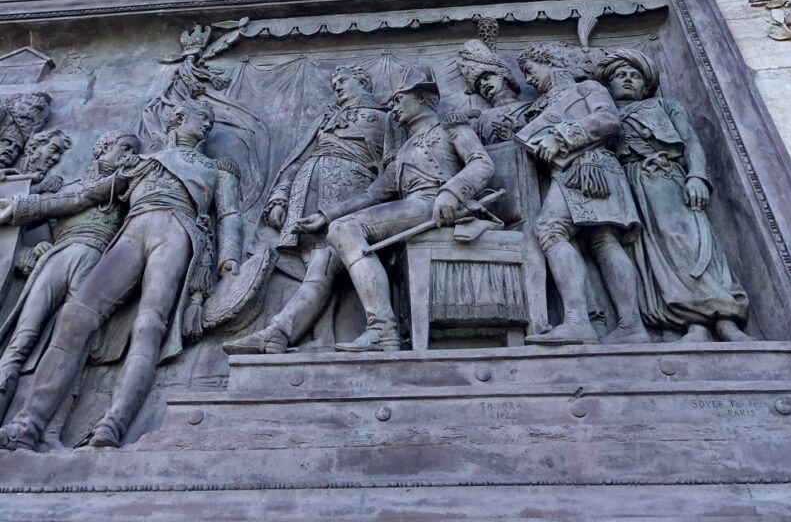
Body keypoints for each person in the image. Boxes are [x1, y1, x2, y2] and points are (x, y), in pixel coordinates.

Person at [0, 99, 242, 451]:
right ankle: (27, 425)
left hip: (177, 231)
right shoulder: (142, 163)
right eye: (202, 117)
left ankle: (112, 426)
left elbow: (230, 214)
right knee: (75, 315)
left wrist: (229, 259)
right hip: (133, 229)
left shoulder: (217, 169)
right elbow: (81, 198)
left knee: (149, 324)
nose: (207, 125)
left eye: (210, 121)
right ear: (178, 117)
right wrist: (20, 208)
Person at [294, 66, 495, 353]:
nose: (393, 106)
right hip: (410, 209)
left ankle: (382, 330)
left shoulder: (450, 128)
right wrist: (326, 215)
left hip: (436, 205)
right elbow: (372, 193)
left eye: (399, 99)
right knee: (326, 253)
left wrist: (451, 193)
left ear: (422, 97)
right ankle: (279, 332)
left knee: (345, 229)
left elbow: (482, 163)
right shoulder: (402, 151)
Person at [223, 65, 388, 355]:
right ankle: (319, 336)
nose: (337, 87)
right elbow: (298, 158)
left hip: (351, 193)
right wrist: (280, 196)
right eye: (334, 83)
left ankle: (282, 333)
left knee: (326, 262)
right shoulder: (326, 118)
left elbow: (392, 167)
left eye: (343, 80)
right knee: (317, 262)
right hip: (308, 192)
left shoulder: (386, 117)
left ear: (362, 81)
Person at [597, 48, 750, 342]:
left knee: (687, 240)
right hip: (627, 186)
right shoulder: (602, 114)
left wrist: (697, 176)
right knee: (650, 256)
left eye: (634, 76)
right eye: (621, 75)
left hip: (666, 178)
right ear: (609, 84)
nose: (628, 79)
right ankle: (693, 325)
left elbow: (690, 140)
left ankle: (726, 321)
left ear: (646, 85)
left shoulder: (665, 105)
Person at [0, 132, 139, 422]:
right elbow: (41, 226)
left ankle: (48, 427)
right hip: (57, 257)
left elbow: (80, 199)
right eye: (124, 147)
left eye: (132, 150)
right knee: (22, 338)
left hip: (95, 263)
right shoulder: (68, 187)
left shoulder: (126, 184)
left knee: (72, 345)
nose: (129, 154)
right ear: (104, 147)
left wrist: (23, 206)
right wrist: (36, 248)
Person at [516, 43, 649, 346]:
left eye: (530, 70)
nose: (529, 79)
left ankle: (579, 322)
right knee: (603, 240)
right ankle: (630, 326)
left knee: (551, 229)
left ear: (549, 61)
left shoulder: (587, 88)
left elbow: (608, 120)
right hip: (570, 172)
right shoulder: (543, 105)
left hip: (589, 168)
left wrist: (562, 137)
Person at [456, 21, 534, 144]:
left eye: (487, 77)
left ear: (503, 75)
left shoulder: (532, 109)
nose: (483, 85)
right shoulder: (480, 119)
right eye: (478, 85)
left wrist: (513, 138)